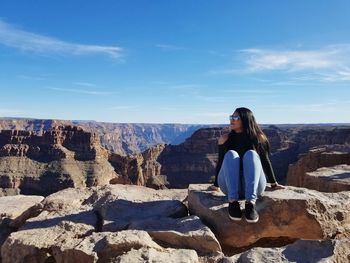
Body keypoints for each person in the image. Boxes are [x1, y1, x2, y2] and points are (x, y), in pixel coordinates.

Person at [210, 107, 283, 223]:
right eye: (231, 117)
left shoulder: (258, 138)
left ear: (245, 119)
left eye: (235, 118)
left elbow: (265, 161)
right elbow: (221, 163)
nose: (231, 120)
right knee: (231, 154)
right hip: (230, 186)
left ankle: (250, 204)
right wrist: (216, 185)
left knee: (251, 154)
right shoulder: (224, 139)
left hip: (254, 186)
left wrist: (274, 183)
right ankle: (233, 202)